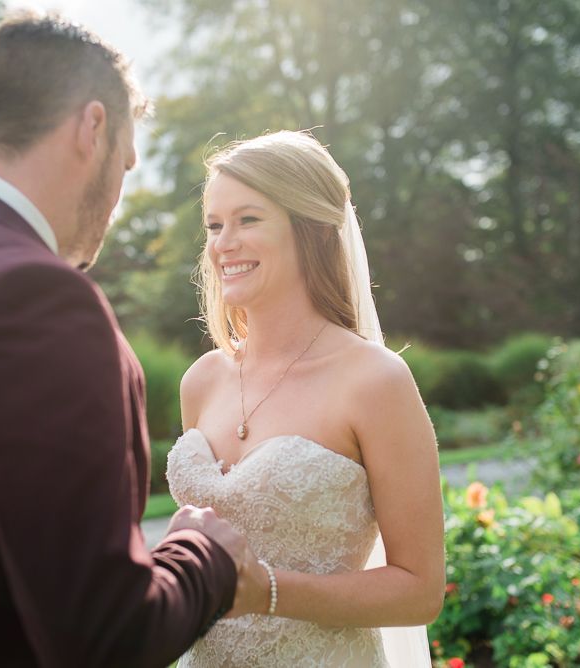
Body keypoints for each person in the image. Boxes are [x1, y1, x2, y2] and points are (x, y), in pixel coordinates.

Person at [0, 14, 269, 668]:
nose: (117, 195)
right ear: (92, 127)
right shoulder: (31, 297)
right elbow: (105, 637)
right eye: (127, 162)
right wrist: (200, 550)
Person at [166, 130, 446, 667]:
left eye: (248, 220)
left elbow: (420, 590)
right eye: (214, 224)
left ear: (310, 231)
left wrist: (266, 591)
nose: (224, 243)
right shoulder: (201, 381)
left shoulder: (375, 382)